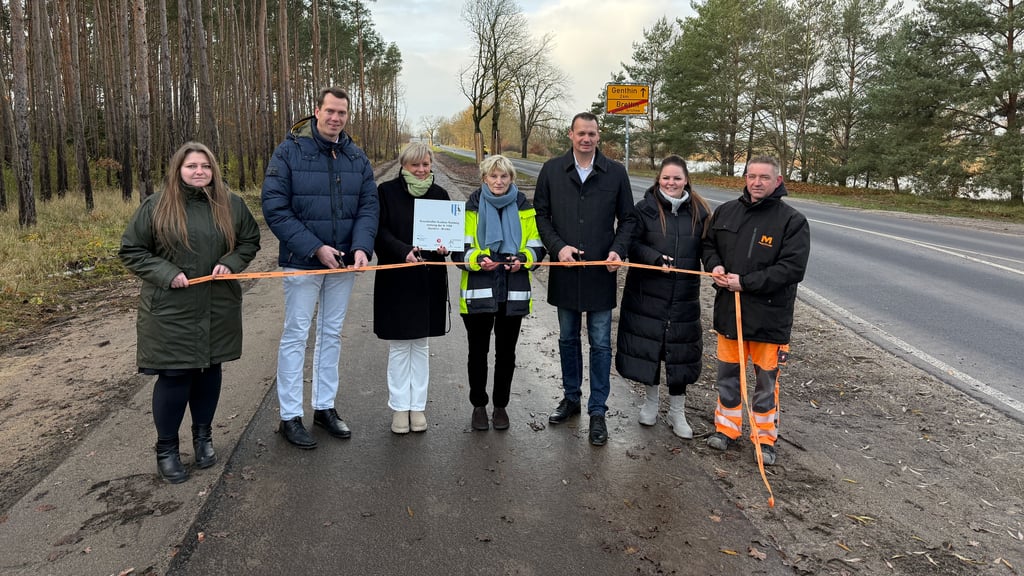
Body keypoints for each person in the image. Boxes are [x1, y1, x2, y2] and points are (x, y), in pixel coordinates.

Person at [119, 142, 261, 483]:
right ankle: (167, 449)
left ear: (213, 170)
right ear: (178, 170)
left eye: (205, 166)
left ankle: (203, 438)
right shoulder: (157, 206)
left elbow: (249, 241)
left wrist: (230, 263)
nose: (199, 171)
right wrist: (167, 273)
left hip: (217, 304)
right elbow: (131, 250)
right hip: (171, 310)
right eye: (191, 166)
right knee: (175, 376)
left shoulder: (231, 205)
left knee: (209, 370)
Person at [262, 86, 379, 449]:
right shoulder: (289, 152)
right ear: (316, 111)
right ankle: (290, 416)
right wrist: (314, 248)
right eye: (330, 111)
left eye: (342, 113)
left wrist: (361, 247)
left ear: (347, 116)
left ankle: (324, 408)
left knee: (331, 334)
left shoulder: (356, 157)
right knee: (296, 334)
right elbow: (275, 207)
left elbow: (368, 207)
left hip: (343, 265)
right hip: (302, 262)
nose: (335, 118)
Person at [702, 155, 810, 466]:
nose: (757, 182)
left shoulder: (792, 221)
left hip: (769, 320)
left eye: (764, 177)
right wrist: (715, 266)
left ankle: (764, 438)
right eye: (752, 176)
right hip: (729, 316)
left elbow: (791, 269)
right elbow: (708, 246)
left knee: (766, 383)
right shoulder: (726, 212)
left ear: (778, 181)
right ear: (745, 178)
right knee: (728, 377)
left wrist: (745, 283)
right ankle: (727, 429)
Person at [534, 112, 634, 446]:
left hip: (601, 274)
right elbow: (541, 216)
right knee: (567, 339)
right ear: (570, 135)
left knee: (601, 344)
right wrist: (557, 247)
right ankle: (572, 397)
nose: (586, 139)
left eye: (592, 133)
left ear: (598, 136)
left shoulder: (615, 173)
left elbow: (629, 220)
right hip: (565, 274)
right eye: (581, 133)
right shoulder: (552, 170)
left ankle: (598, 411)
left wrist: (618, 250)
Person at [616, 156, 710, 439]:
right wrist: (654, 258)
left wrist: (718, 268)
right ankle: (651, 402)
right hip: (648, 293)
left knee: (680, 351)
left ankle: (677, 411)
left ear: (686, 180)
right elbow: (631, 243)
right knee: (652, 349)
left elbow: (709, 248)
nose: (671, 183)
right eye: (666, 178)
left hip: (684, 295)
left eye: (677, 178)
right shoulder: (644, 209)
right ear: (659, 179)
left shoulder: (700, 212)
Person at [459, 155, 545, 431]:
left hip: (513, 290)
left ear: (511, 179)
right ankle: (478, 405)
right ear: (484, 178)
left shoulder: (524, 208)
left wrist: (523, 258)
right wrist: (478, 258)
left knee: (506, 353)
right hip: (479, 290)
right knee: (478, 352)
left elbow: (537, 245)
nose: (498, 181)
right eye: (493, 176)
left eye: (504, 176)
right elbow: (459, 248)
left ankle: (501, 406)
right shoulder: (470, 207)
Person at [373, 142, 451, 434]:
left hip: (428, 279)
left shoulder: (440, 195)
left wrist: (446, 248)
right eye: (414, 165)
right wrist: (403, 250)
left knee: (420, 345)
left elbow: (449, 236)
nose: (421, 170)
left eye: (425, 165)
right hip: (396, 277)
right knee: (398, 346)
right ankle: (399, 407)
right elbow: (379, 232)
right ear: (403, 165)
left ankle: (418, 407)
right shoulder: (386, 193)